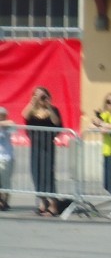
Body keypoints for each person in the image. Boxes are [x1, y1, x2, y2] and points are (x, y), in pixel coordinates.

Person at [22, 86, 62, 216]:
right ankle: (43, 202)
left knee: (47, 176)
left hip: (47, 146)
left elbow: (57, 123)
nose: (41, 98)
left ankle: (54, 205)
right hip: (35, 146)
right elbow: (24, 115)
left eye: (44, 96)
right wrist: (33, 102)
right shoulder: (32, 110)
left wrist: (48, 106)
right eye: (39, 96)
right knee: (36, 174)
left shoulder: (53, 110)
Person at [0, 107, 13, 211]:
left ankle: (5, 200)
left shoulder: (8, 125)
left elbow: (12, 124)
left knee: (5, 181)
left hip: (6, 157)